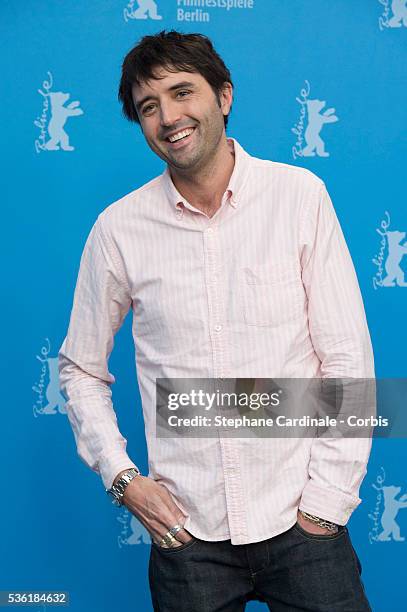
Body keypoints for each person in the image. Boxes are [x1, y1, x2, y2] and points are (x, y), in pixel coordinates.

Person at [58, 29, 374, 611]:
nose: (168, 116)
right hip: (188, 536)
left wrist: (324, 506)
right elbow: (80, 369)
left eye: (183, 93)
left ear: (223, 96)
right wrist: (124, 479)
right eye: (149, 106)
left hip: (302, 523)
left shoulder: (299, 196)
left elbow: (347, 361)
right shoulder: (118, 229)